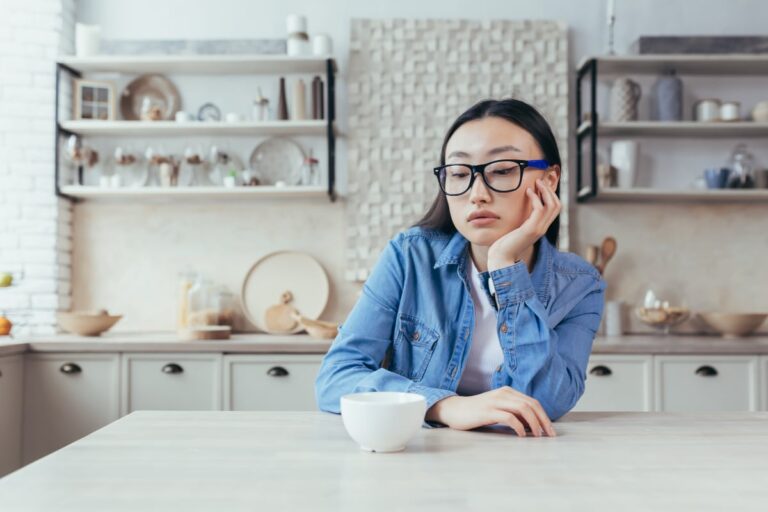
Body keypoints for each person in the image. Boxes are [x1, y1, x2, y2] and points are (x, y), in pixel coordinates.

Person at [315, 98, 605, 437]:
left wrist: (504, 267)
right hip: (421, 457)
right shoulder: (409, 256)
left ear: (549, 180)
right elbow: (336, 378)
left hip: (523, 466)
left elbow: (548, 401)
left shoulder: (580, 285)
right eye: (459, 173)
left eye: (502, 170)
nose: (477, 194)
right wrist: (444, 406)